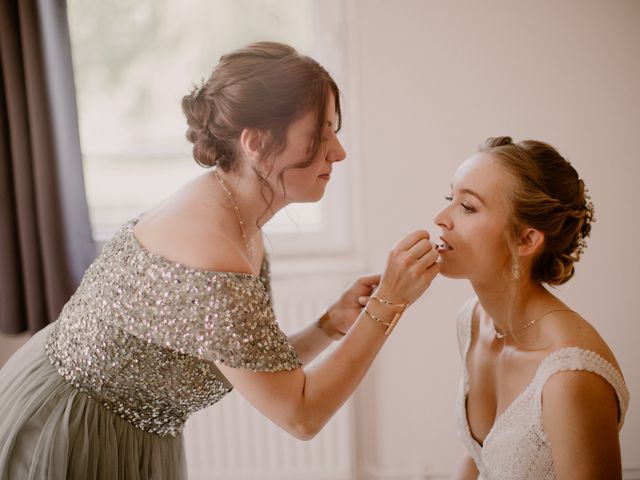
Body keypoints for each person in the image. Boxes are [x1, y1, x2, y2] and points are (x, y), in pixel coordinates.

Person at [0, 42, 440, 479]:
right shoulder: (213, 251)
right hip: (73, 429)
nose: (338, 151)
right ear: (255, 142)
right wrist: (390, 304)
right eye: (320, 134)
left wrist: (330, 324)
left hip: (136, 430)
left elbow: (250, 365)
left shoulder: (236, 214)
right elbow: (300, 415)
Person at [434, 137, 629, 479]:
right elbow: (478, 456)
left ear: (526, 240)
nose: (440, 219)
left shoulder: (571, 377)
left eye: (467, 207)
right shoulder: (473, 321)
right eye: (451, 198)